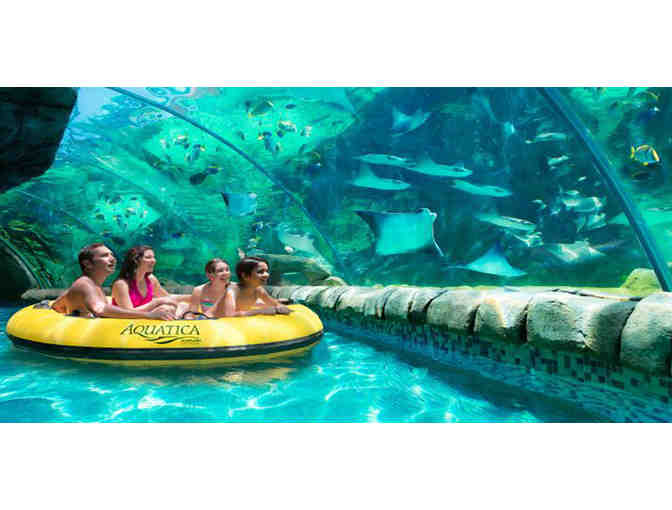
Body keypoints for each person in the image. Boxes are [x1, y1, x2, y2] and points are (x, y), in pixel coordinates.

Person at [51, 243, 175, 320]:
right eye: (104, 256)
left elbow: (59, 303)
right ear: (87, 264)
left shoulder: (93, 286)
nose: (112, 259)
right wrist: (149, 315)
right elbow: (100, 309)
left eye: (112, 255)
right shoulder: (85, 283)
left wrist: (51, 305)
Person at [111, 245, 190, 317]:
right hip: (125, 323)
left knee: (177, 306)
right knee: (166, 308)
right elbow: (128, 312)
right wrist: (156, 302)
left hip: (143, 322)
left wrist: (191, 297)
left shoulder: (150, 279)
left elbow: (166, 297)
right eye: (148, 257)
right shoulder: (121, 284)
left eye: (153, 257)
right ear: (136, 261)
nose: (153, 260)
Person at [209, 256, 291, 317]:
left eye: (266, 271)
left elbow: (274, 304)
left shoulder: (258, 290)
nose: (266, 275)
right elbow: (229, 315)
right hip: (208, 320)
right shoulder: (233, 291)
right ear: (245, 276)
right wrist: (261, 311)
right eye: (261, 272)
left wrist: (280, 307)